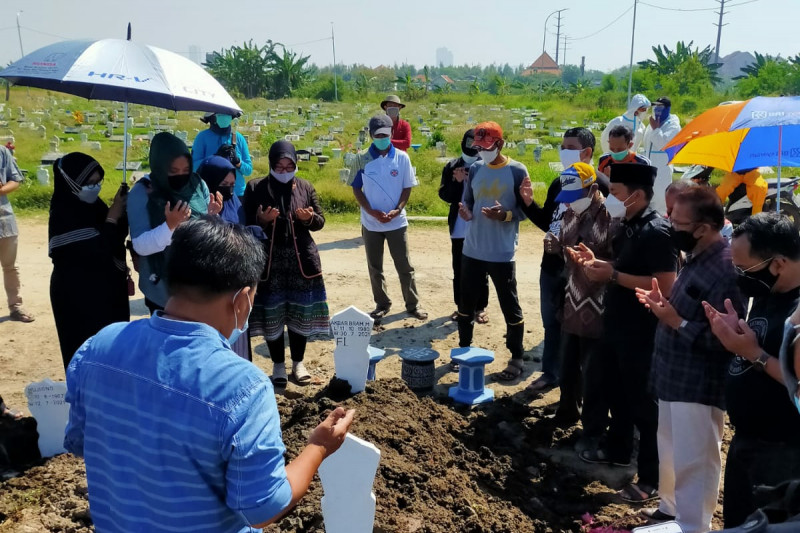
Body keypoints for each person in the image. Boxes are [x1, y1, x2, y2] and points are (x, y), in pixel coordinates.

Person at [64, 216, 356, 532]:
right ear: (243, 300)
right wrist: (319, 447)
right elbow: (263, 508)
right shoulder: (243, 387)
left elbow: (80, 441)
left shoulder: (98, 348)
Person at [637, 187, 745, 533]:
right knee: (670, 452)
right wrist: (665, 305)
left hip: (698, 383)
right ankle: (670, 512)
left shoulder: (726, 268)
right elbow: (686, 311)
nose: (670, 225)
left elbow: (726, 339)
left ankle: (694, 525)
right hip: (673, 375)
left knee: (695, 460)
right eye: (669, 217)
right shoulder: (696, 257)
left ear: (703, 227)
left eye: (678, 221)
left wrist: (675, 321)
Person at [575, 164, 677, 506]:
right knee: (613, 388)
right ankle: (617, 450)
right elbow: (621, 268)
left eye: (616, 192)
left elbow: (664, 286)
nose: (611, 199)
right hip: (616, 324)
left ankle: (651, 477)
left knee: (645, 406)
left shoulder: (657, 231)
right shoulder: (628, 226)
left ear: (636, 194)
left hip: (642, 331)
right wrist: (596, 261)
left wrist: (614, 276)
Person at [701, 213, 800, 528]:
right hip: (748, 441)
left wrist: (753, 353)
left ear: (778, 263)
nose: (738, 275)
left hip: (782, 452)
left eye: (744, 269)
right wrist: (738, 335)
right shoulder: (770, 291)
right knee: (737, 524)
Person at [521, 127, 608, 393]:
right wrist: (528, 204)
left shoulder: (601, 184)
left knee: (581, 328)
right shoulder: (560, 182)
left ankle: (579, 381)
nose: (564, 151)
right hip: (552, 266)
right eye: (562, 146)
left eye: (569, 146)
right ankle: (551, 373)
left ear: (587, 152)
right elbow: (550, 221)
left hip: (582, 274)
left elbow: (606, 234)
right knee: (551, 323)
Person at [244, 141, 330, 386]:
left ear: (295, 164)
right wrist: (260, 221)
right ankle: (278, 366)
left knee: (298, 313)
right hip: (268, 263)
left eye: (289, 166)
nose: (284, 171)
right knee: (273, 314)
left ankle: (299, 364)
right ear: (271, 164)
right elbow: (245, 223)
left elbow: (320, 221)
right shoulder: (255, 187)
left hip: (301, 261)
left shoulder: (304, 186)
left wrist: (309, 218)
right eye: (279, 166)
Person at [457, 121, 527, 380]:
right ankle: (463, 349)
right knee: (465, 304)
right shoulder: (475, 169)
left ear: (500, 144)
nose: (482, 151)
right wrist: (465, 212)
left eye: (487, 146)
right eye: (478, 146)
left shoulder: (517, 171)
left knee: (510, 306)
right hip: (473, 249)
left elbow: (525, 211)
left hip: (501, 252)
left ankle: (517, 356)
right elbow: (468, 202)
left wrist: (505, 215)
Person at [546, 163, 615, 430]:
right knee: (568, 364)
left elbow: (617, 261)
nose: (569, 203)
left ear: (593, 189)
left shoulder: (610, 218)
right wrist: (556, 248)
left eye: (574, 197)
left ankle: (593, 427)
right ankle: (567, 412)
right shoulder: (569, 214)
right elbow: (566, 250)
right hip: (572, 298)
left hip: (599, 304)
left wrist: (594, 261)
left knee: (595, 371)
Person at [49, 153, 130, 370]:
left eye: (97, 183)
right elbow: (95, 251)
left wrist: (121, 209)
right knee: (85, 355)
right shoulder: (63, 213)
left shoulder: (95, 206)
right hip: (78, 296)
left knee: (112, 354)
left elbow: (115, 238)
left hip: (108, 293)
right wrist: (112, 218)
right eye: (88, 183)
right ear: (71, 182)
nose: (94, 188)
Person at [128, 132, 220, 314]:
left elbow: (206, 232)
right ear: (159, 167)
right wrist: (170, 227)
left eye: (185, 170)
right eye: (173, 171)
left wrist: (212, 215)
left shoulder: (197, 184)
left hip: (198, 284)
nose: (181, 176)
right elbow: (140, 245)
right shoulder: (143, 192)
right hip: (163, 289)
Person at [351, 115, 427, 321]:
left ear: (392, 133)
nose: (383, 138)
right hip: (371, 223)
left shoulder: (402, 158)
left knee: (404, 265)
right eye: (378, 135)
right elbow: (356, 188)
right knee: (375, 267)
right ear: (371, 135)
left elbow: (407, 187)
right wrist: (370, 211)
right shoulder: (361, 158)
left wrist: (398, 209)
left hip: (397, 222)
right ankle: (382, 304)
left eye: (386, 134)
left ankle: (413, 304)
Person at [198, 155, 253, 361]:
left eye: (232, 184)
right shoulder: (198, 205)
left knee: (236, 335)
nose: (228, 189)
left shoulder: (236, 203)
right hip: (212, 285)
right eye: (223, 184)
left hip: (237, 280)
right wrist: (211, 216)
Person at [438, 129, 489, 324]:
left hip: (480, 226)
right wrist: (458, 182)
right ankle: (461, 307)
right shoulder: (452, 166)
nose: (472, 146)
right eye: (469, 141)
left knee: (481, 269)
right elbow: (445, 195)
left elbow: (487, 195)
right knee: (459, 269)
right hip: (459, 228)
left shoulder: (485, 166)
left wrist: (470, 180)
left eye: (476, 142)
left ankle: (480, 307)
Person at [0, 145, 33, 322]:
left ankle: (16, 307)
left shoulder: (2, 152)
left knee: (10, 266)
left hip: (4, 219)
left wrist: (2, 189)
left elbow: (15, 180)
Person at [192, 112, 253, 199]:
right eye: (220, 114)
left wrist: (238, 162)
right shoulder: (202, 137)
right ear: (212, 117)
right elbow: (194, 167)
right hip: (211, 194)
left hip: (236, 193)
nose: (224, 116)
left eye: (226, 113)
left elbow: (248, 170)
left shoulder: (238, 138)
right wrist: (215, 158)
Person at [642, 96, 682, 215]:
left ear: (667, 108)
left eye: (660, 107)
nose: (656, 110)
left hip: (662, 171)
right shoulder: (652, 123)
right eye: (655, 106)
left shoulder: (673, 125)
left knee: (660, 202)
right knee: (648, 200)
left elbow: (663, 144)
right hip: (648, 169)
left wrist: (655, 129)